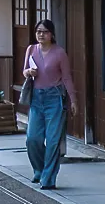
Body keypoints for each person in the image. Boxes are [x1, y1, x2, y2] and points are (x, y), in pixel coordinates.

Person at [23, 19, 77, 190]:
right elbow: (24, 71)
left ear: (52, 34)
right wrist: (28, 72)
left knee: (53, 141)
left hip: (54, 98)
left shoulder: (60, 53)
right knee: (33, 138)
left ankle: (48, 178)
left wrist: (73, 99)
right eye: (38, 31)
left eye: (45, 32)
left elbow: (67, 77)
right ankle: (39, 169)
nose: (41, 34)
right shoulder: (31, 49)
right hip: (36, 98)